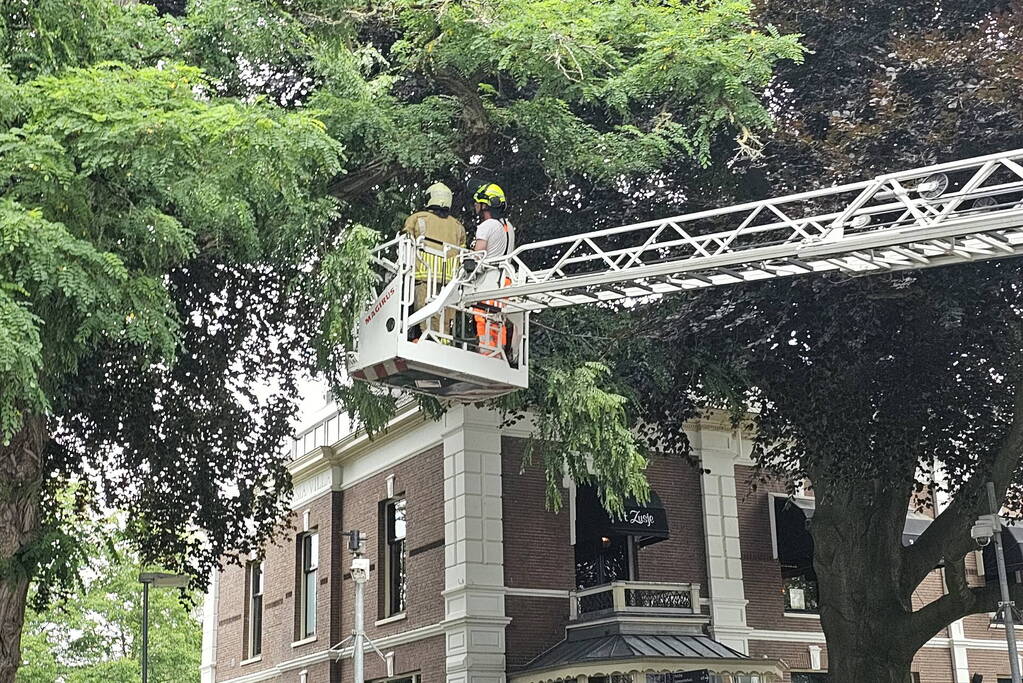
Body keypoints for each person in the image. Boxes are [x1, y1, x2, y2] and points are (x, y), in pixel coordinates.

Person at [402, 182, 466, 339]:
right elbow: (462, 253)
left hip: (423, 278)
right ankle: (443, 345)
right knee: (444, 324)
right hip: (449, 282)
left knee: (424, 320)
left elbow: (405, 245)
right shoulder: (458, 227)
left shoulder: (416, 219)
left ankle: (424, 342)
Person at [470, 183, 516, 357]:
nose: (475, 206)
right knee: (498, 320)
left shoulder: (486, 226)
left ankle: (487, 353)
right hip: (505, 280)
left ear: (485, 205)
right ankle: (498, 353)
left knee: (484, 317)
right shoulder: (509, 227)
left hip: (489, 281)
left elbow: (478, 256)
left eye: (477, 202)